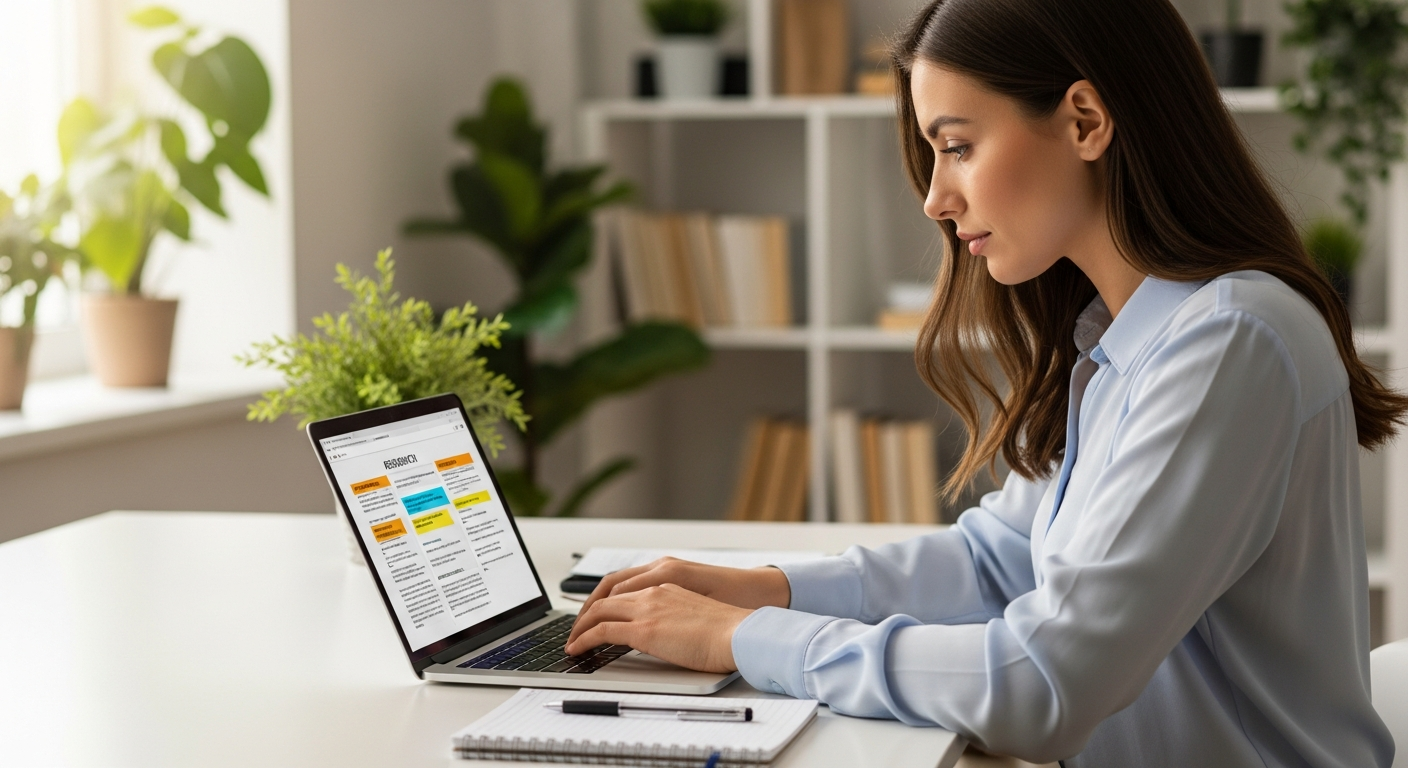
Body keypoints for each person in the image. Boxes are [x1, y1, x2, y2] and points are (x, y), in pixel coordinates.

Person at [565, 0, 1407, 764]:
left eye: (958, 147)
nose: (936, 198)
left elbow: (1044, 684)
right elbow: (998, 560)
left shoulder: (1229, 342)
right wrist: (769, 589)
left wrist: (748, 637)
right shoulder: (1124, 336)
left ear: (1084, 121)